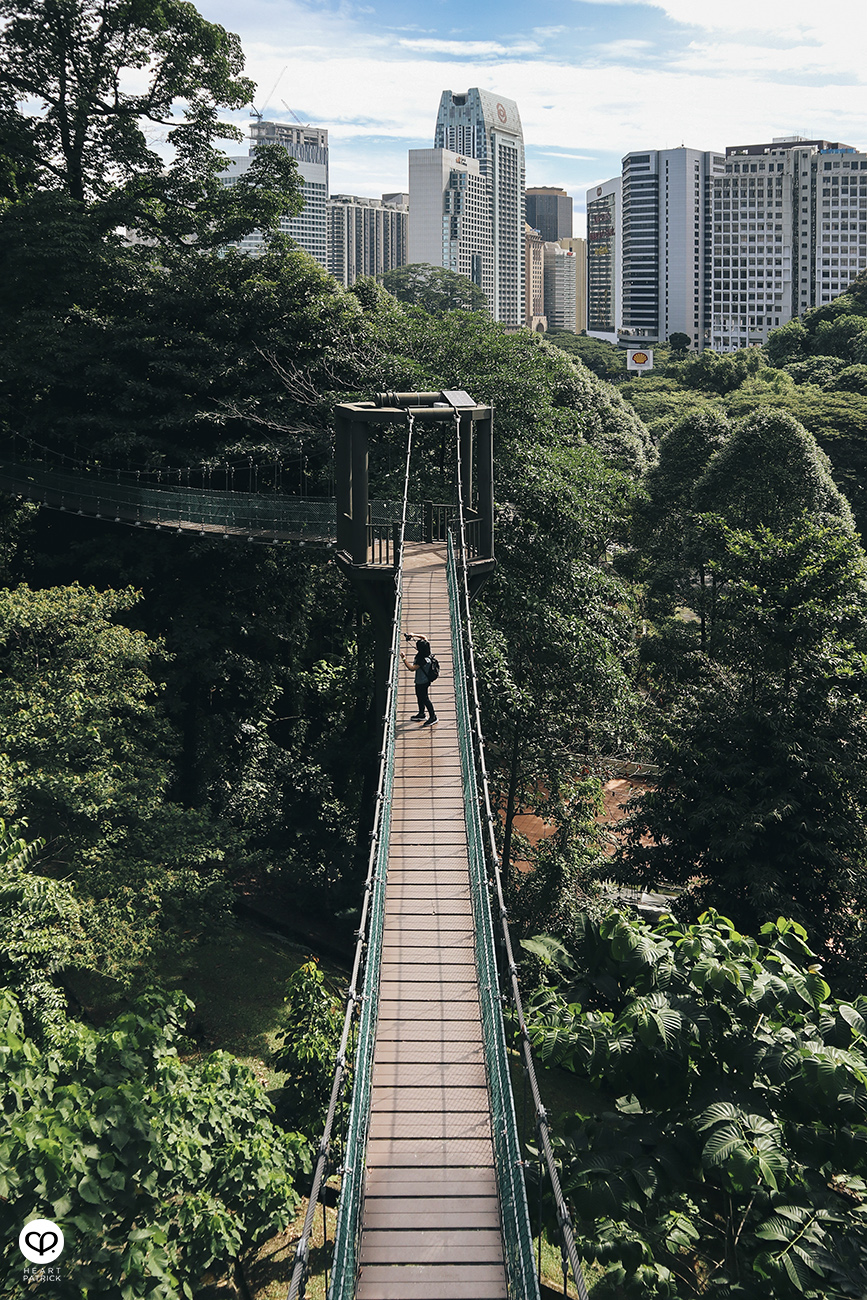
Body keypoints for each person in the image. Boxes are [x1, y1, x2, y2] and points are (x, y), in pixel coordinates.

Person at [401, 634, 437, 726]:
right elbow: (424, 637)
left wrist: (404, 658)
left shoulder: (422, 660)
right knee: (419, 696)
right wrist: (413, 635)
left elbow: (412, 668)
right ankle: (421, 714)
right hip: (423, 680)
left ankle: (433, 717)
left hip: (422, 682)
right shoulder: (427, 650)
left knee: (424, 698)